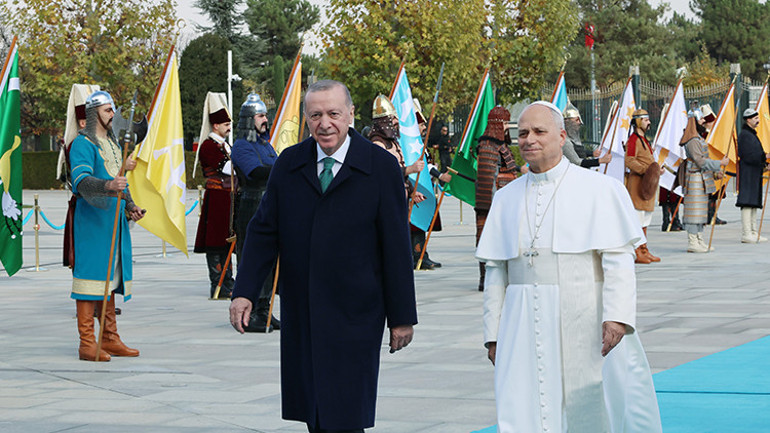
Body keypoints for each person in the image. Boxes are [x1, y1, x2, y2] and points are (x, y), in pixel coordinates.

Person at [229, 80, 417, 433]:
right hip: (304, 308)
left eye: (333, 113)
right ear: (306, 119)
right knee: (315, 408)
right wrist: (244, 292)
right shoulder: (290, 163)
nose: (325, 123)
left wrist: (402, 316)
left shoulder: (380, 166)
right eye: (315, 115)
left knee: (345, 410)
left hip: (357, 311)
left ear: (350, 114)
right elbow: (264, 231)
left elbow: (396, 245)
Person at [477, 101, 661, 433]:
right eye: (522, 133)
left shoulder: (600, 190)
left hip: (584, 313)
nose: (529, 139)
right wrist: (493, 335)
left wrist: (617, 318)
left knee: (593, 405)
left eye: (538, 131)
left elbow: (619, 261)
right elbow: (496, 272)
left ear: (561, 136)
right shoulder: (506, 198)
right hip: (521, 322)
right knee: (524, 403)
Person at [69, 90, 143, 362]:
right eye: (107, 110)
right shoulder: (82, 144)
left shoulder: (112, 143)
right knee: (90, 279)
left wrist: (130, 205)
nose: (113, 114)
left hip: (113, 220)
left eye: (113, 109)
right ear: (93, 114)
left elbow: (119, 179)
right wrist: (108, 186)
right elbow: (81, 181)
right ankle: (87, 343)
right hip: (92, 220)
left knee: (109, 280)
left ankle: (110, 338)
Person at [231, 93, 279, 331]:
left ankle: (264, 309)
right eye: (261, 115)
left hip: (270, 202)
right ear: (249, 119)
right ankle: (251, 312)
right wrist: (285, 168)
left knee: (271, 259)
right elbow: (257, 172)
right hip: (252, 204)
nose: (265, 119)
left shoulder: (265, 145)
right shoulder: (241, 146)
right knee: (253, 257)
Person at [193, 92, 236, 299]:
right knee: (216, 242)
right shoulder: (209, 146)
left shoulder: (225, 145)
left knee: (228, 241)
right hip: (217, 198)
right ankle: (218, 284)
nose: (228, 126)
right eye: (225, 123)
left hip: (228, 199)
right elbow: (227, 168)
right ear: (215, 125)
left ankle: (229, 282)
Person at [475, 106, 520, 292]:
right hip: (492, 204)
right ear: (497, 124)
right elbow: (488, 178)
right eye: (505, 122)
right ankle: (486, 279)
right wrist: (494, 205)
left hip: (504, 201)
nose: (507, 126)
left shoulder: (498, 144)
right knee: (488, 240)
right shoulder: (488, 145)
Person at [679, 106, 728, 252]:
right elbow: (700, 162)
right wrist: (719, 163)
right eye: (700, 119)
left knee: (701, 211)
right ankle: (692, 242)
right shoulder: (692, 140)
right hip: (694, 179)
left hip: (701, 179)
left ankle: (699, 239)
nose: (702, 121)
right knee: (694, 211)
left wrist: (715, 172)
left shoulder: (698, 138)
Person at [411, 98, 451, 270]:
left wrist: (439, 175)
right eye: (421, 125)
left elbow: (428, 165)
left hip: (422, 186)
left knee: (422, 223)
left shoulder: (419, 143)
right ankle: (417, 257)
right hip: (413, 187)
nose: (424, 128)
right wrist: (440, 175)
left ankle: (421, 255)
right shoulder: (411, 144)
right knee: (416, 225)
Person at [624, 108, 661, 263]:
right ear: (638, 121)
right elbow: (629, 160)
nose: (649, 123)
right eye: (645, 120)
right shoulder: (633, 140)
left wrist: (655, 170)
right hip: (638, 184)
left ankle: (644, 250)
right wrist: (647, 170)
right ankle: (637, 251)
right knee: (638, 219)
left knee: (645, 219)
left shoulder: (644, 139)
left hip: (648, 184)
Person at [736, 107, 770, 243]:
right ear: (748, 120)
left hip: (754, 173)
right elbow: (749, 155)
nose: (758, 121)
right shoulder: (745, 135)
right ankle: (746, 233)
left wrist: (764, 163)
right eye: (755, 118)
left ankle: (754, 232)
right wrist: (765, 156)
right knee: (747, 202)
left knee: (754, 203)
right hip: (748, 173)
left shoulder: (752, 134)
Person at [563, 103, 611, 168]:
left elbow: (578, 152)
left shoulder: (571, 137)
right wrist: (600, 160)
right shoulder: (565, 141)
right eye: (577, 120)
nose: (579, 122)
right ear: (567, 121)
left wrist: (592, 153)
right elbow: (577, 162)